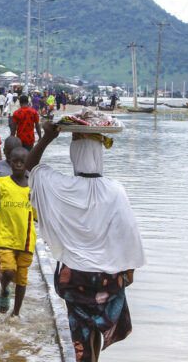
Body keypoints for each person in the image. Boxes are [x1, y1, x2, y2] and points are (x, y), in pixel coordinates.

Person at [25, 121, 145, 361]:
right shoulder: (115, 190)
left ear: (74, 155)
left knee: (81, 335)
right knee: (95, 333)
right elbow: (128, 231)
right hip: (107, 278)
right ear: (99, 155)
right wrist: (129, 270)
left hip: (74, 276)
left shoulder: (60, 186)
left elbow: (30, 168)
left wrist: (47, 138)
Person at [0, 146, 37, 317]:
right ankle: (4, 288)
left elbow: (39, 215)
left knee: (22, 278)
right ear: (9, 162)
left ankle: (15, 313)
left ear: (28, 163)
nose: (19, 165)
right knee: (8, 271)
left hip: (26, 240)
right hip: (5, 237)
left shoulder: (33, 187)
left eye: (23, 162)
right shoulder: (1, 184)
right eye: (15, 161)